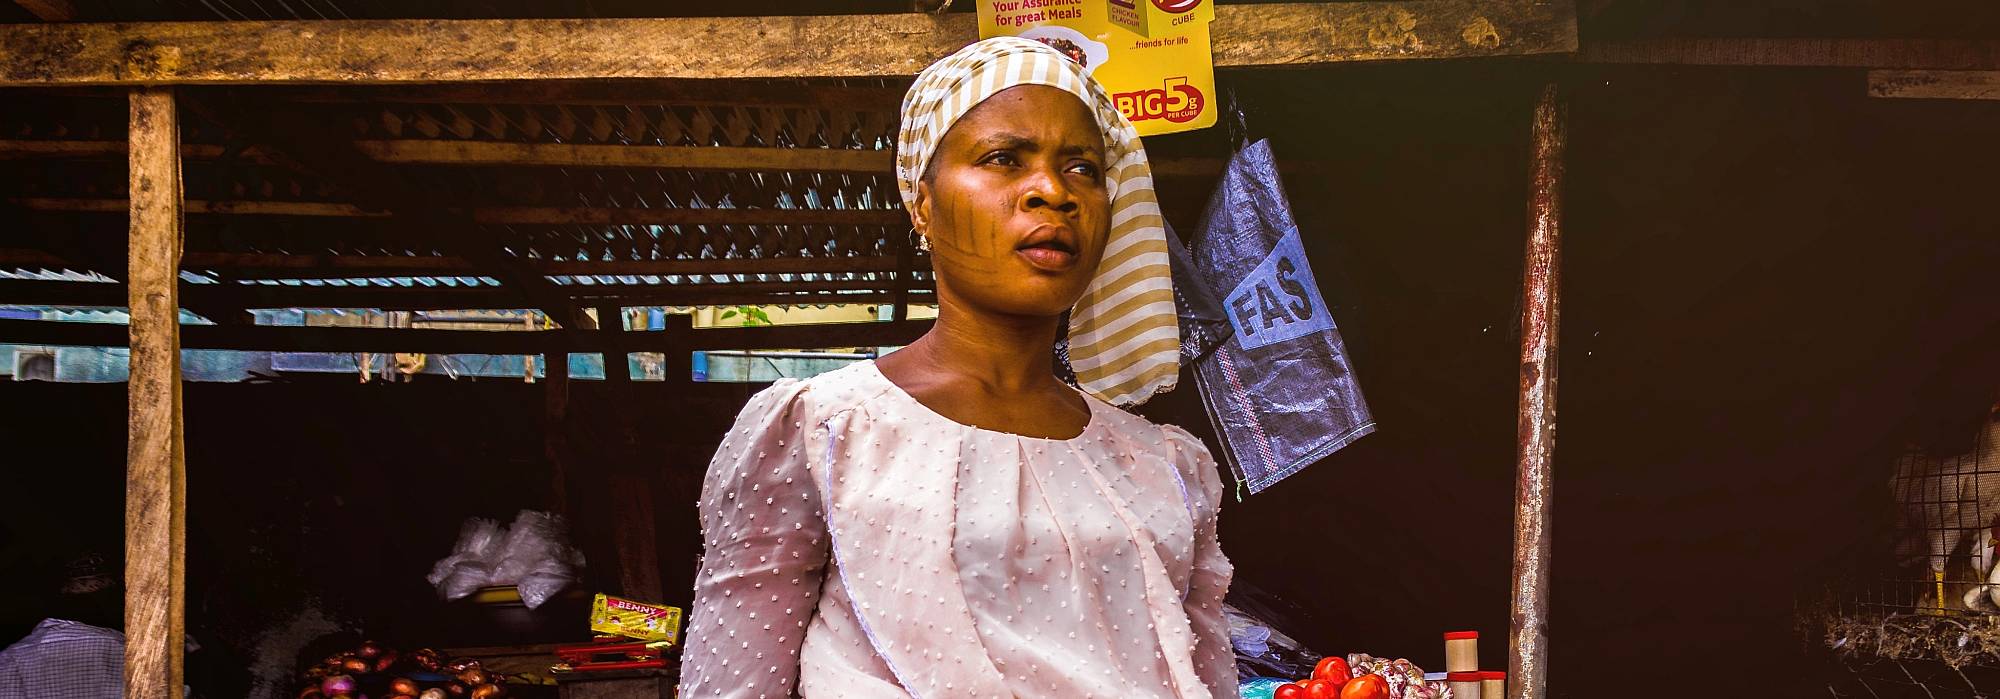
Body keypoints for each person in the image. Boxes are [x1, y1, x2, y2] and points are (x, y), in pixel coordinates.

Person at [679, 37, 1235, 698]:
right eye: (1004, 158)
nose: (1053, 191)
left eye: (1082, 167)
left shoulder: (1164, 466)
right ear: (922, 204)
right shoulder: (824, 431)